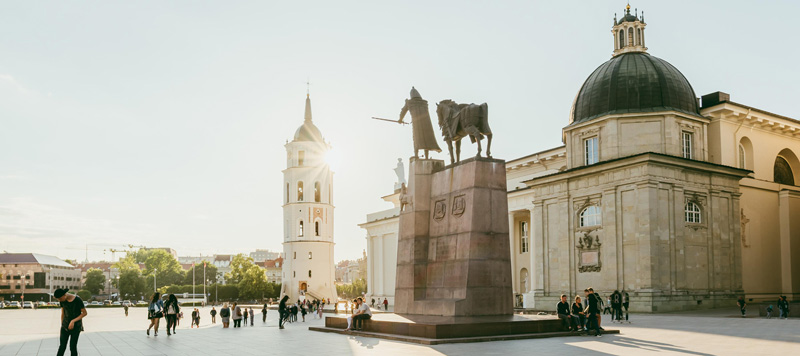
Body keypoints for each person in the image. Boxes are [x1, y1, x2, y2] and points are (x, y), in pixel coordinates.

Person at [54, 288, 87, 356]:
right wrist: (62, 324)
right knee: (62, 346)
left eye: (60, 298)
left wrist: (73, 321)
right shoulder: (62, 300)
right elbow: (63, 312)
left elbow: (84, 313)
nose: (59, 300)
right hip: (65, 326)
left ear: (64, 295)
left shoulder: (77, 300)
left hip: (76, 326)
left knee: (72, 347)